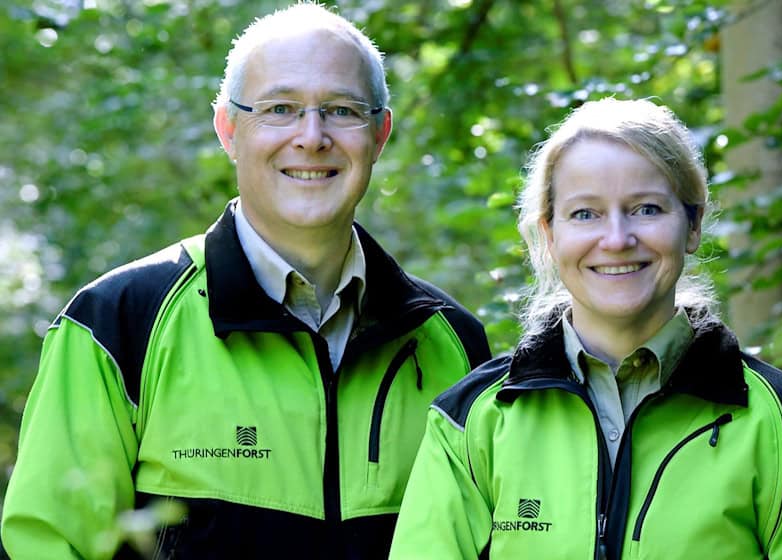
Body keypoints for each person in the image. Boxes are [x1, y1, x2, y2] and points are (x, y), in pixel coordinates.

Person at [0, 4, 490, 558]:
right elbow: (45, 545)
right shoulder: (116, 324)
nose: (311, 136)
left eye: (340, 110)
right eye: (280, 109)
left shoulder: (453, 342)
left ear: (380, 134)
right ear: (228, 130)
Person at [389, 98, 782, 559]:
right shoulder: (471, 421)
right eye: (586, 214)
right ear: (549, 233)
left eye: (647, 209)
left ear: (692, 225)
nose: (617, 239)